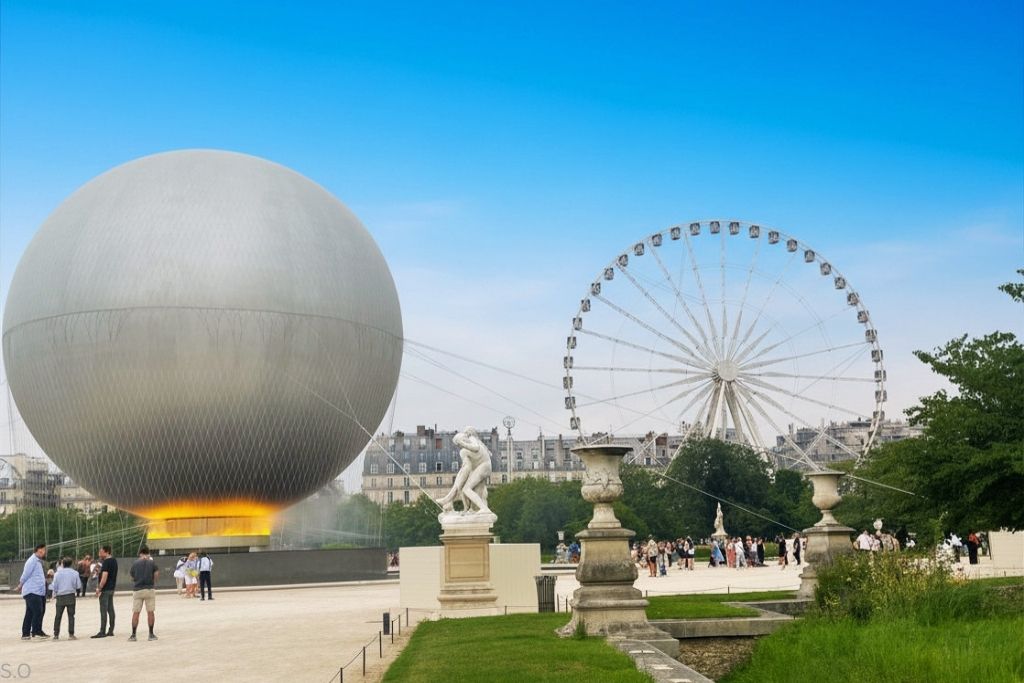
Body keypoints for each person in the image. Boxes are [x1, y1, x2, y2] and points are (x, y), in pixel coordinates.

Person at [16, 543, 49, 640]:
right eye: (41, 551)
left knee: (31, 612)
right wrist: (20, 585)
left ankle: (27, 633)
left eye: (44, 551)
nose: (43, 553)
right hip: (32, 591)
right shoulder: (32, 561)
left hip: (39, 591)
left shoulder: (38, 561)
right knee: (38, 611)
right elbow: (25, 574)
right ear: (36, 551)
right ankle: (35, 632)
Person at [129, 545, 159, 641]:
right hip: (149, 589)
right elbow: (156, 573)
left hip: (138, 589)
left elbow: (132, 576)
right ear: (148, 553)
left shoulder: (135, 563)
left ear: (140, 553)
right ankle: (151, 634)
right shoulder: (152, 562)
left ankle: (133, 635)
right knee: (150, 612)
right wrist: (153, 582)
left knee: (136, 612)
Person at [52, 556, 82, 640]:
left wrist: (55, 593)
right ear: (71, 564)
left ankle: (56, 634)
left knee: (58, 616)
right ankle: (71, 634)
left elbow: (54, 586)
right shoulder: (75, 573)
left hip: (60, 596)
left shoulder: (57, 574)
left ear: (63, 564)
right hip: (70, 596)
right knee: (71, 615)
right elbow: (78, 585)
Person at [92, 544, 118, 638]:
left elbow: (104, 577)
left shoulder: (106, 562)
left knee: (103, 610)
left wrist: (99, 588)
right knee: (111, 609)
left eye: (101, 552)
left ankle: (102, 631)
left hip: (106, 589)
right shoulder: (114, 561)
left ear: (106, 552)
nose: (99, 553)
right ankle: (111, 630)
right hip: (111, 588)